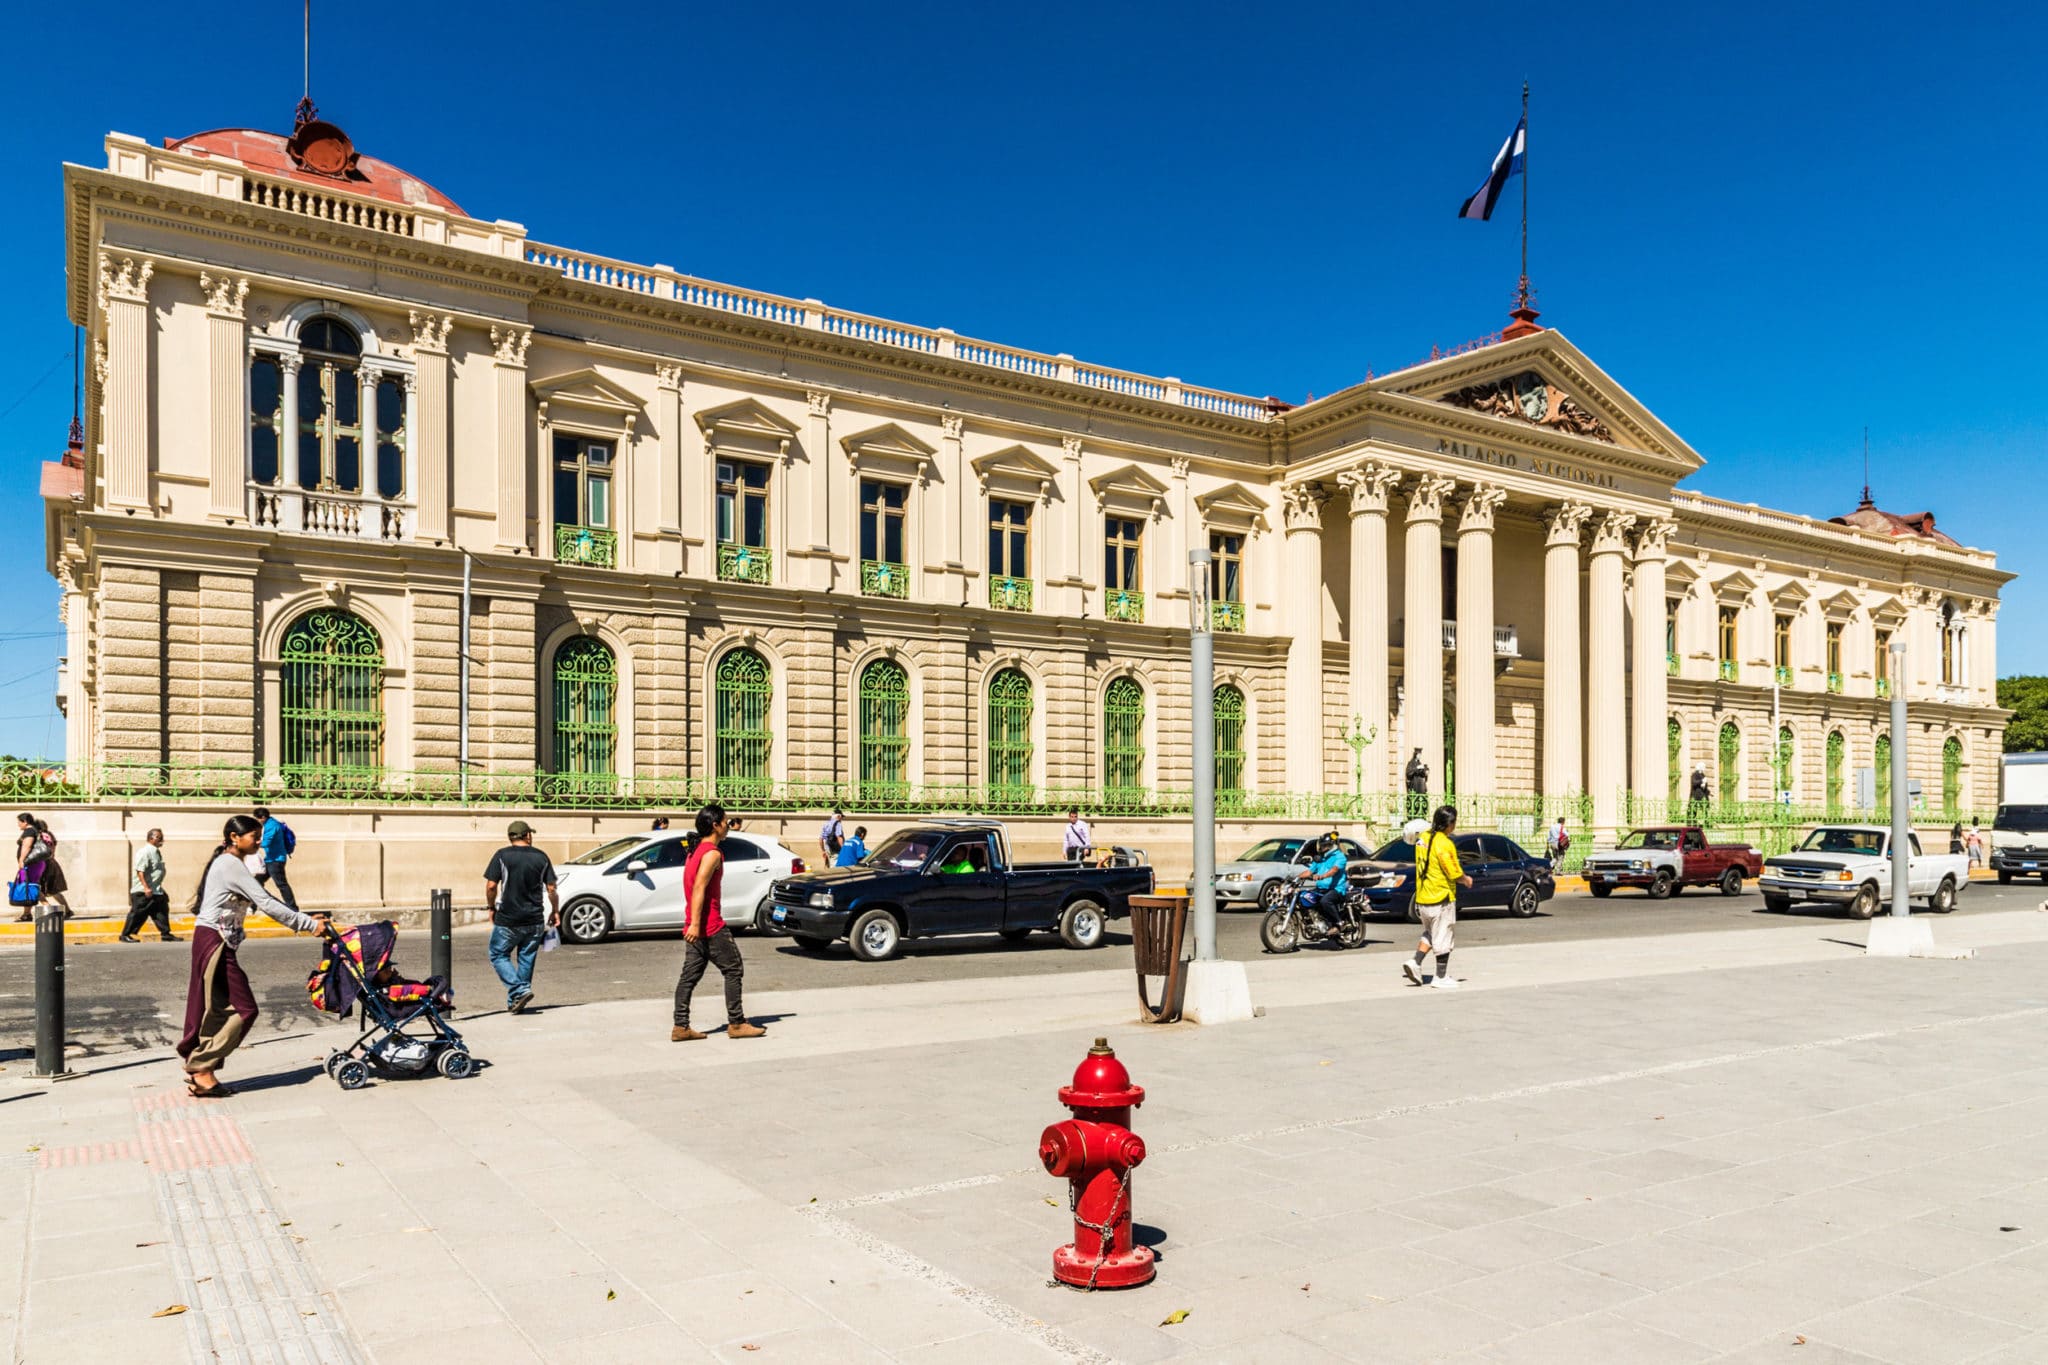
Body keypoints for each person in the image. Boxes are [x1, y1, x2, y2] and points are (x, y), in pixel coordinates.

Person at [177, 815, 339, 1097]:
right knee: (244, 1008)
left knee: (218, 1007)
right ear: (234, 837)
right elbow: (265, 902)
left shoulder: (231, 863)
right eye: (254, 835)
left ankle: (203, 1071)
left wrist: (304, 917)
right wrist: (310, 925)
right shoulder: (230, 865)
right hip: (215, 940)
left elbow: (263, 899)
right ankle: (201, 1066)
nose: (259, 840)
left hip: (216, 939)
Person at [672, 803, 766, 1041]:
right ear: (715, 825)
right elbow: (699, 888)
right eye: (725, 821)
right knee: (733, 968)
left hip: (695, 924)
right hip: (710, 925)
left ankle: (680, 1026)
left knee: (689, 977)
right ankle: (736, 1023)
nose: (727, 825)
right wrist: (696, 923)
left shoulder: (695, 851)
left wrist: (692, 923)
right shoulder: (712, 853)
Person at [483, 820, 559, 1015]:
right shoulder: (541, 857)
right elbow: (551, 889)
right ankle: (516, 999)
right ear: (527, 835)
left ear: (511, 837)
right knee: (526, 958)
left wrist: (491, 907)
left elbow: (491, 886)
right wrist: (555, 910)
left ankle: (519, 991)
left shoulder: (502, 855)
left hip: (509, 918)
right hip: (534, 919)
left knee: (498, 954)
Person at [1403, 805, 1472, 991]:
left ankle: (1415, 962)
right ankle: (1440, 977)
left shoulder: (1422, 839)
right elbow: (1452, 871)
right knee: (1443, 936)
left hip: (1423, 896)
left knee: (1431, 934)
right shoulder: (1445, 843)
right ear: (1449, 824)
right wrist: (1465, 879)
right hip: (1440, 896)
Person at [121, 828, 177, 942]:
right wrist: (146, 888)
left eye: (162, 838)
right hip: (143, 891)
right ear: (152, 838)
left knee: (161, 910)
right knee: (137, 913)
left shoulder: (155, 852)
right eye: (159, 838)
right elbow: (140, 870)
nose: (162, 840)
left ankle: (166, 934)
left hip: (155, 890)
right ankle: (125, 935)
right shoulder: (145, 852)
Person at [11, 815, 70, 921]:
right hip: (39, 863)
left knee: (31, 886)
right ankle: (27, 914)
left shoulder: (30, 832)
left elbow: (27, 846)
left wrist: (21, 860)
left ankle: (49, 909)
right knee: (29, 887)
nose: (18, 824)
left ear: (24, 822)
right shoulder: (43, 834)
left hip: (32, 864)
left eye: (19, 822)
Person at [252, 806, 299, 911]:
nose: (257, 820)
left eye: (257, 818)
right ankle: (253, 905)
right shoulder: (270, 823)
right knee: (257, 881)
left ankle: (293, 908)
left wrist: (251, 843)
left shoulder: (272, 825)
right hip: (270, 859)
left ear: (263, 817)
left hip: (276, 860)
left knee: (281, 884)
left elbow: (266, 842)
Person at [1293, 835, 1349, 921]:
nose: (1321, 847)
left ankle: (1338, 923)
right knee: (1303, 896)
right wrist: (1295, 878)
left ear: (1330, 845)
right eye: (1321, 845)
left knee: (1325, 901)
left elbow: (1334, 870)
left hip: (1336, 889)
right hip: (1321, 888)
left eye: (1323, 845)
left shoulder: (1340, 857)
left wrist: (1322, 876)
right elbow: (1309, 872)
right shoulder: (1321, 858)